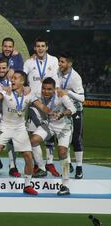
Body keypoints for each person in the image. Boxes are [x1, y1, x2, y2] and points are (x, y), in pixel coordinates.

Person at [0, 71, 53, 195]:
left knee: (28, 155)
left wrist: (51, 112)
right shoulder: (6, 91)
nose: (12, 80)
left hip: (20, 128)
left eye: (15, 78)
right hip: (5, 126)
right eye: (12, 78)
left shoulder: (29, 94)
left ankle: (27, 185)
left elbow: (41, 107)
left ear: (22, 81)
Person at [30, 77, 76, 195]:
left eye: (49, 89)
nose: (46, 92)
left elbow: (73, 108)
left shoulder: (61, 96)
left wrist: (63, 113)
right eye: (44, 89)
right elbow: (29, 95)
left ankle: (65, 185)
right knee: (33, 140)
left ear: (54, 89)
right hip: (49, 125)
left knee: (62, 152)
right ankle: (41, 168)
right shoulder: (38, 94)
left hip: (64, 127)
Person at [24, 38, 60, 177]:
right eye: (38, 46)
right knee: (34, 135)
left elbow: (57, 78)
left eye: (42, 46)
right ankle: (40, 166)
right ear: (34, 48)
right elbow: (22, 76)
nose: (40, 48)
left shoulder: (54, 60)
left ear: (47, 47)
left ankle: (49, 162)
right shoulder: (29, 62)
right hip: (34, 103)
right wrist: (26, 87)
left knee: (51, 133)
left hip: (51, 101)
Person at [58, 52, 85, 179]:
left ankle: (79, 167)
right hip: (63, 111)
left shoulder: (75, 77)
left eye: (62, 62)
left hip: (76, 111)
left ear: (69, 63)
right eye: (59, 61)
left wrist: (68, 92)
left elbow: (82, 98)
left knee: (76, 139)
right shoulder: (58, 73)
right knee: (63, 141)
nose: (60, 64)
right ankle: (68, 166)